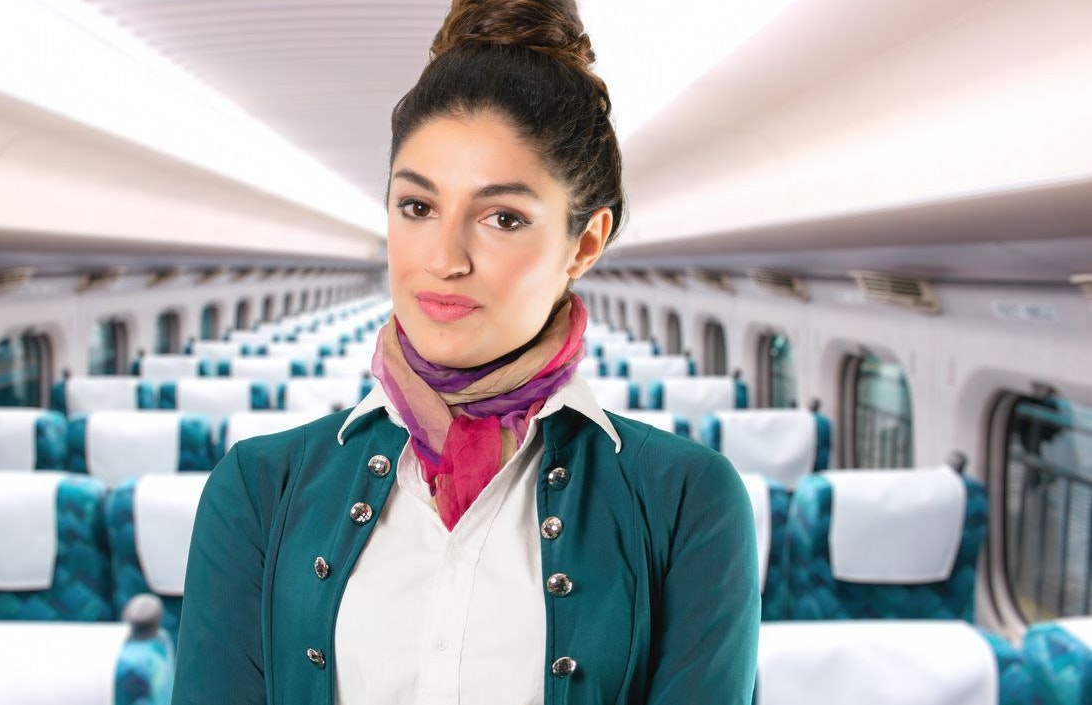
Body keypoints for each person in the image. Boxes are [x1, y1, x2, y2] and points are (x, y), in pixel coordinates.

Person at [171, 0, 759, 702]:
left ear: (585, 243)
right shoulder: (257, 492)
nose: (444, 258)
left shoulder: (686, 502)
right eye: (417, 207)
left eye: (502, 217)